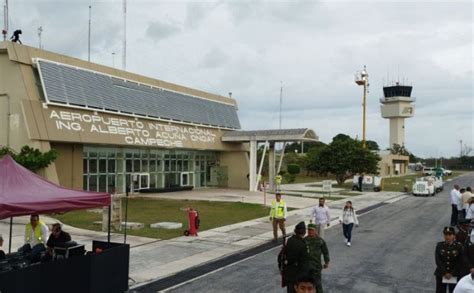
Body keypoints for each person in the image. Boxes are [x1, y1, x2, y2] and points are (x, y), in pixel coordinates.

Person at [434, 226, 465, 293]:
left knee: (453, 291)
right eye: (445, 234)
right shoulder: (439, 245)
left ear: (454, 236)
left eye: (450, 234)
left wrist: (452, 273)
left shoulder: (459, 246)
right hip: (441, 273)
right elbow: (438, 260)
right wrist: (445, 273)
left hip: (454, 274)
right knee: (440, 291)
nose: (447, 237)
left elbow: (460, 261)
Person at [284, 221, 310, 293]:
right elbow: (304, 263)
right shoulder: (303, 245)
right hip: (298, 274)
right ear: (304, 232)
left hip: (289, 272)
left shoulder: (290, 240)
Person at [305, 223, 329, 293]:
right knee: (307, 285)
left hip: (316, 267)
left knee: (318, 284)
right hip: (306, 267)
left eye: (312, 230)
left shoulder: (320, 241)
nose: (310, 231)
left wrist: (326, 262)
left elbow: (325, 252)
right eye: (309, 230)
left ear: (315, 231)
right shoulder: (304, 240)